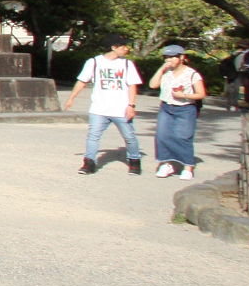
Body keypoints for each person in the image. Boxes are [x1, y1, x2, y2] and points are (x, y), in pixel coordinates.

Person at [67, 34, 143, 174]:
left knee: (129, 136)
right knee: (93, 136)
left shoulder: (127, 64)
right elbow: (82, 81)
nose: (126, 49)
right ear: (114, 47)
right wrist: (72, 98)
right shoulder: (94, 62)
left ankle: (134, 160)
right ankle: (89, 163)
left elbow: (132, 85)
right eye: (123, 46)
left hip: (121, 108)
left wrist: (131, 105)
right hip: (99, 108)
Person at [150, 43, 208, 179]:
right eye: (166, 57)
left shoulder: (192, 74)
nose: (169, 60)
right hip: (166, 107)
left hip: (185, 108)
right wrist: (161, 69)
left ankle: (188, 166)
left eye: (172, 57)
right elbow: (152, 85)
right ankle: (167, 163)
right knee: (162, 135)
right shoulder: (166, 72)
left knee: (183, 136)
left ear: (181, 57)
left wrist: (183, 96)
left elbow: (201, 94)